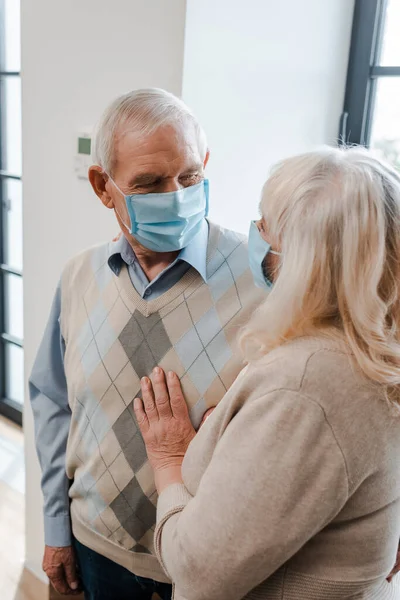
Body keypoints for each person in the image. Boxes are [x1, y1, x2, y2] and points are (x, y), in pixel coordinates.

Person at [135, 146, 400, 599]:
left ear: (301, 259)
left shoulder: (306, 387)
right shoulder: (374, 346)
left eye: (264, 222)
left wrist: (170, 461)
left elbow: (198, 571)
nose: (255, 233)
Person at [29, 89, 264, 599]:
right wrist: (54, 528)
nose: (176, 195)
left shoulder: (264, 279)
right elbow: (52, 405)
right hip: (94, 550)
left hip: (202, 566)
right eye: (150, 184)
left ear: (205, 163)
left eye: (189, 176)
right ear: (103, 186)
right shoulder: (79, 277)